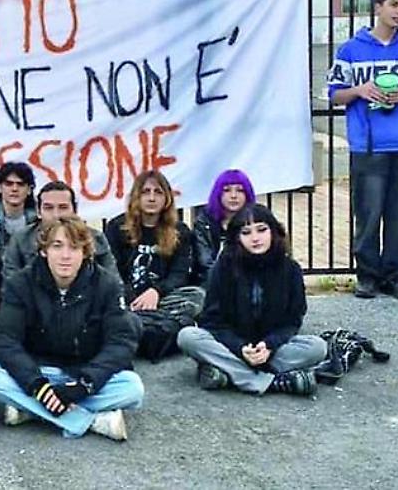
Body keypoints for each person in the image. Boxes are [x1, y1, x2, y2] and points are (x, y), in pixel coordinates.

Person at [0, 215, 143, 441]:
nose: (65, 256)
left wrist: (84, 385)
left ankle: (30, 410)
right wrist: (36, 385)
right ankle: (93, 421)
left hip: (83, 373)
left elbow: (121, 342)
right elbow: (4, 340)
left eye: (74, 247)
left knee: (133, 388)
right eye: (57, 246)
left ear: (85, 253)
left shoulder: (106, 284)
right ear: (43, 250)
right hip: (39, 371)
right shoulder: (21, 283)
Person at [327, 0, 398, 301]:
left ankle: (395, 276)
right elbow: (334, 93)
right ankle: (367, 276)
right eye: (394, 5)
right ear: (379, 7)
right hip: (367, 145)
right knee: (367, 214)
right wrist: (359, 90)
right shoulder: (351, 50)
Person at [177, 204, 327, 396]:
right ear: (237, 238)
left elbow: (292, 321)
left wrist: (269, 345)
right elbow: (212, 321)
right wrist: (240, 349)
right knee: (188, 336)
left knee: (317, 347)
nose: (255, 238)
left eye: (262, 230)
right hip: (233, 345)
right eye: (246, 232)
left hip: (270, 350)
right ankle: (272, 382)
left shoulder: (290, 269)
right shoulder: (223, 267)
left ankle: (227, 373)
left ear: (273, 231)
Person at [105, 171, 204, 359]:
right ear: (136, 196)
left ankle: (138, 331)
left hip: (163, 299)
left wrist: (156, 292)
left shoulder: (180, 231)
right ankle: (159, 332)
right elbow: (111, 271)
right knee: (106, 301)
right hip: (127, 299)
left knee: (198, 296)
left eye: (158, 192)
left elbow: (179, 274)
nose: (151, 198)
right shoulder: (117, 227)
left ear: (166, 198)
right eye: (145, 192)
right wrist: (133, 297)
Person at [3, 181, 118, 285]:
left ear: (75, 210)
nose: (56, 215)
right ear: (38, 211)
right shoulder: (21, 239)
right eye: (48, 208)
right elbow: (12, 284)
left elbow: (113, 282)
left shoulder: (94, 238)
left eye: (63, 207)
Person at [191, 169, 256, 284]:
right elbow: (205, 263)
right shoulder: (204, 222)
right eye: (227, 190)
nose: (233, 196)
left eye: (240, 190)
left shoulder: (257, 220)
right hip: (211, 284)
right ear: (218, 194)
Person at [0, 162, 37, 255]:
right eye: (8, 184)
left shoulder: (38, 219)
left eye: (20, 184)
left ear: (29, 189)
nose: (14, 189)